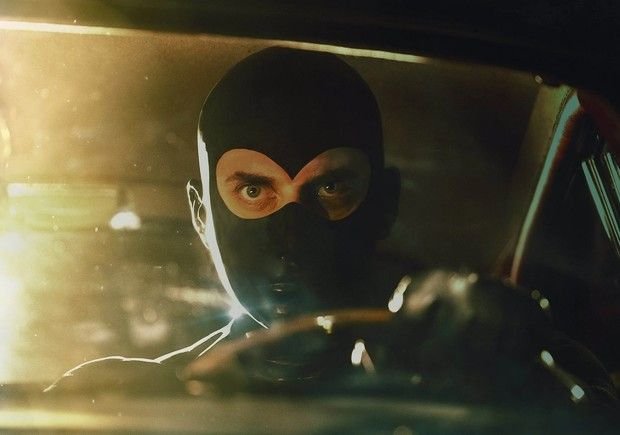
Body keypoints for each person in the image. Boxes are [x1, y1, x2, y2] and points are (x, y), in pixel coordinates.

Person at [48, 47, 617, 408]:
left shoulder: (481, 377)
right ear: (203, 214)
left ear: (384, 203)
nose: (290, 237)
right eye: (254, 190)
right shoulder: (113, 402)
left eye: (329, 188)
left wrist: (515, 369)